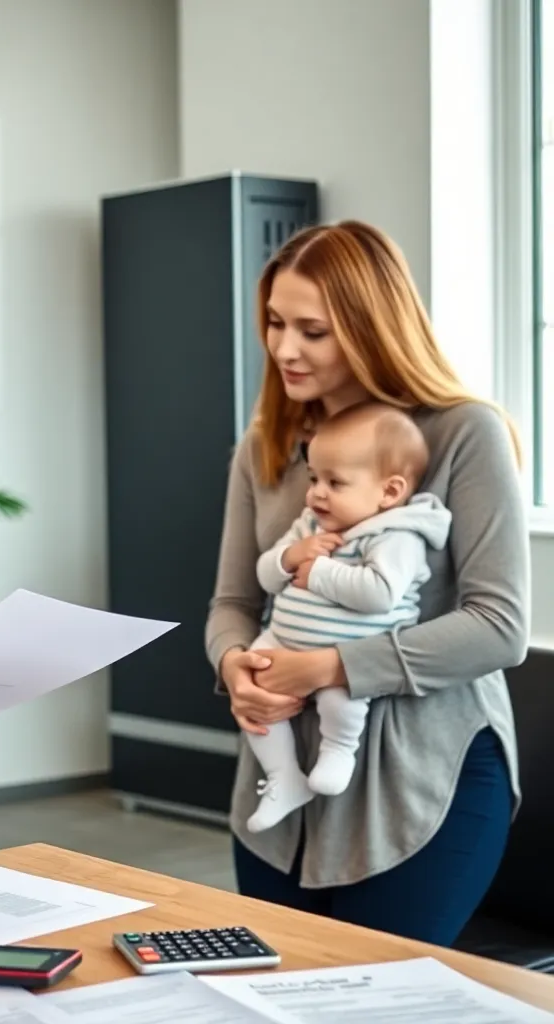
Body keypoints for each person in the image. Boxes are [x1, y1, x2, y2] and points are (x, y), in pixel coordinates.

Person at [205, 220, 529, 946]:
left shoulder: (463, 433)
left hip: (424, 780)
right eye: (275, 323)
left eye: (313, 331)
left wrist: (330, 667)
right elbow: (233, 603)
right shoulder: (264, 446)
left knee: (378, 988)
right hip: (280, 791)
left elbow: (499, 626)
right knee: (275, 986)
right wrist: (234, 667)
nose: (284, 348)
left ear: (370, 328)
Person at [244, 402, 452, 833]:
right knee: (255, 697)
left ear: (389, 492)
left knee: (341, 703)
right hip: (281, 640)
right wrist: (289, 557)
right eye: (314, 478)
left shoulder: (397, 535)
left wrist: (318, 573)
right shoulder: (309, 526)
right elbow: (265, 577)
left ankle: (339, 750)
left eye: (335, 482)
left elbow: (379, 594)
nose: (317, 493)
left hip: (349, 655)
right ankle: (284, 777)